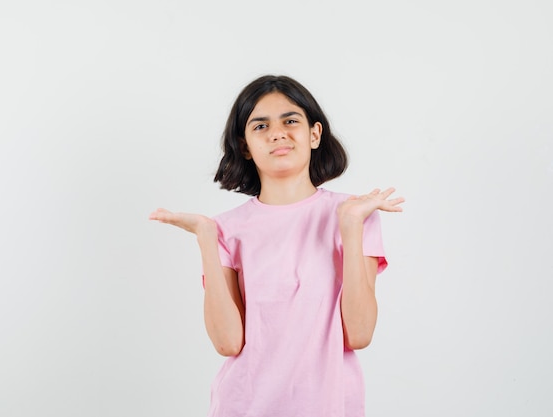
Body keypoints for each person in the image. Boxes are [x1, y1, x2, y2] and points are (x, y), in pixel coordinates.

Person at [149, 75, 404, 417]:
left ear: (315, 134)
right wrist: (207, 238)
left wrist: (349, 225)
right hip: (243, 406)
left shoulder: (356, 215)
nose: (277, 133)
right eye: (260, 126)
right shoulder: (226, 230)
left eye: (290, 121)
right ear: (245, 146)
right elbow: (228, 342)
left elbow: (358, 334)